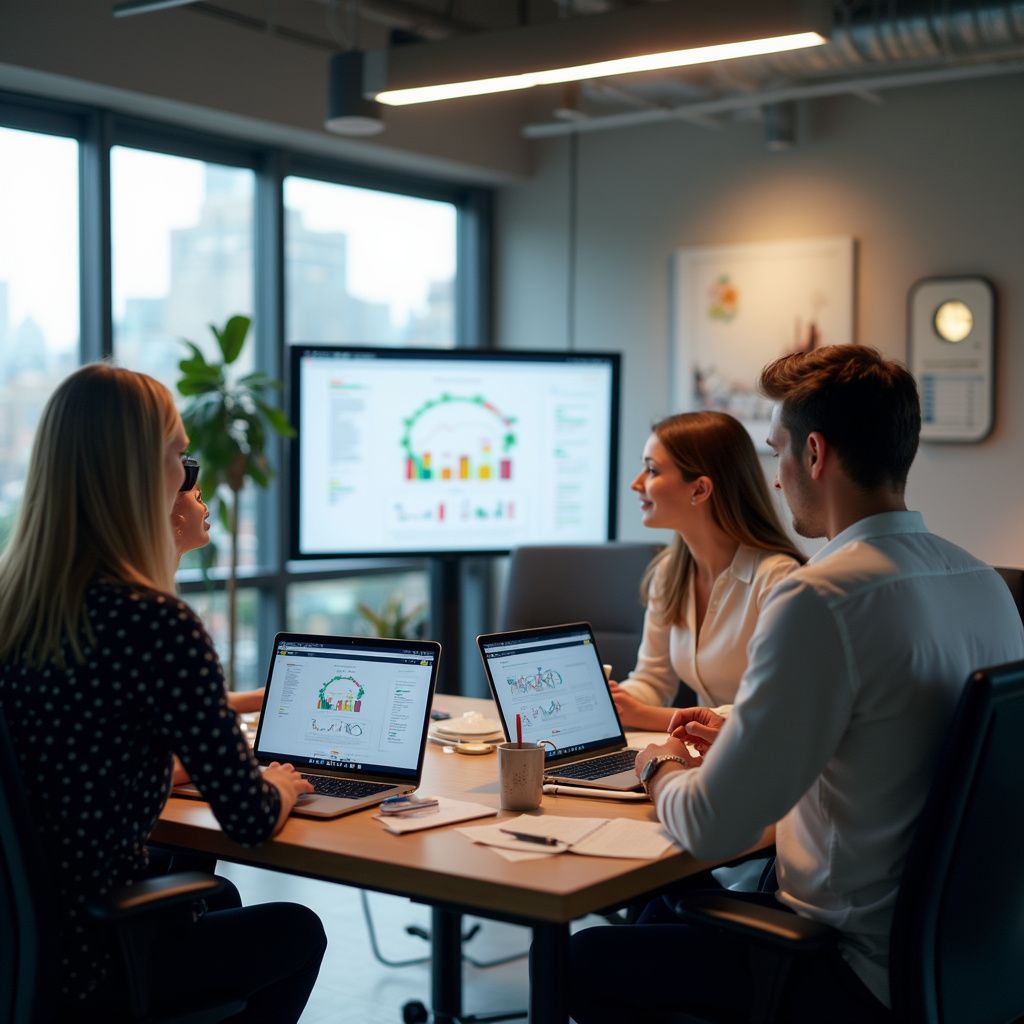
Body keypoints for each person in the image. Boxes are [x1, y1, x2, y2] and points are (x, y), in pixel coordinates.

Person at [568, 345, 1024, 1023]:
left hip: (844, 966)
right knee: (659, 912)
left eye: (777, 450)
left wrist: (654, 760)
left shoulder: (820, 599)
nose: (775, 479)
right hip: (968, 967)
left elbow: (711, 827)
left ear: (814, 454)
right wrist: (749, 732)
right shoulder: (983, 583)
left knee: (575, 964)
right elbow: (897, 743)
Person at [0, 363, 326, 1021]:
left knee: (221, 899)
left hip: (26, 943)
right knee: (296, 929)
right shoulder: (154, 622)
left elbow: (81, 753)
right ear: (139, 473)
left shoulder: (20, 608)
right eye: (179, 455)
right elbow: (250, 818)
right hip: (97, 955)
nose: (188, 474)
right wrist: (286, 783)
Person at [610, 410, 804, 731]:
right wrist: (613, 703)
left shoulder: (778, 580)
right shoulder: (670, 572)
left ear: (699, 490)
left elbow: (772, 707)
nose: (636, 483)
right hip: (704, 760)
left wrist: (648, 716)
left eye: (651, 470)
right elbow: (652, 679)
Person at [171, 480, 264, 713]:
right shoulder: (164, 613)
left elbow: (190, 697)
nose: (207, 509)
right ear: (173, 517)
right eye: (199, 499)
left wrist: (264, 697)